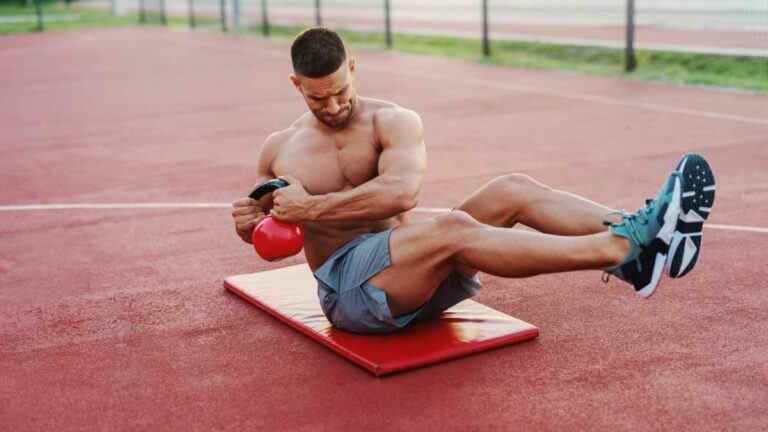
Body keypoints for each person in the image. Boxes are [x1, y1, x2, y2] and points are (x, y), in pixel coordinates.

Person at [231, 28, 716, 334]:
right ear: (297, 86)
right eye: (319, 99)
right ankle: (622, 247)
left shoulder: (392, 121)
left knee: (512, 188)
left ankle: (636, 248)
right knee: (453, 227)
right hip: (353, 296)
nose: (334, 106)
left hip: (417, 277)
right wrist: (249, 222)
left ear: (353, 68)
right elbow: (265, 236)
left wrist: (312, 208)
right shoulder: (280, 148)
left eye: (341, 92)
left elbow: (402, 193)